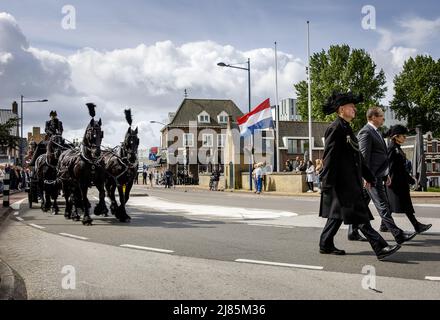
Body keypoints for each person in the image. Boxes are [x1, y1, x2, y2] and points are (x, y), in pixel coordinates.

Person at [318, 91, 401, 260]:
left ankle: (325, 244)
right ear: (342, 109)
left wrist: (369, 176)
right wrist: (326, 183)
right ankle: (380, 248)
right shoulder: (335, 128)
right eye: (351, 107)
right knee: (360, 217)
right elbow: (329, 158)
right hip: (342, 184)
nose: (355, 109)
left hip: (350, 183)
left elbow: (358, 158)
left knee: (337, 216)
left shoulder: (346, 128)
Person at [350, 106, 417, 244]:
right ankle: (398, 234)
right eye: (381, 115)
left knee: (361, 205)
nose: (383, 118)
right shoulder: (366, 132)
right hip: (371, 177)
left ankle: (352, 231)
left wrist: (386, 175)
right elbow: (363, 157)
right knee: (383, 205)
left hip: (378, 175)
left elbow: (381, 156)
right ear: (373, 117)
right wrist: (366, 177)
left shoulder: (377, 132)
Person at [385, 125, 432, 234]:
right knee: (405, 205)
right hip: (396, 183)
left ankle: (384, 225)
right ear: (396, 137)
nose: (405, 138)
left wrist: (409, 179)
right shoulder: (392, 148)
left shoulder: (397, 147)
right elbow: (390, 167)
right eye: (403, 136)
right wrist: (392, 181)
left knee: (390, 206)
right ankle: (417, 226)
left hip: (400, 181)